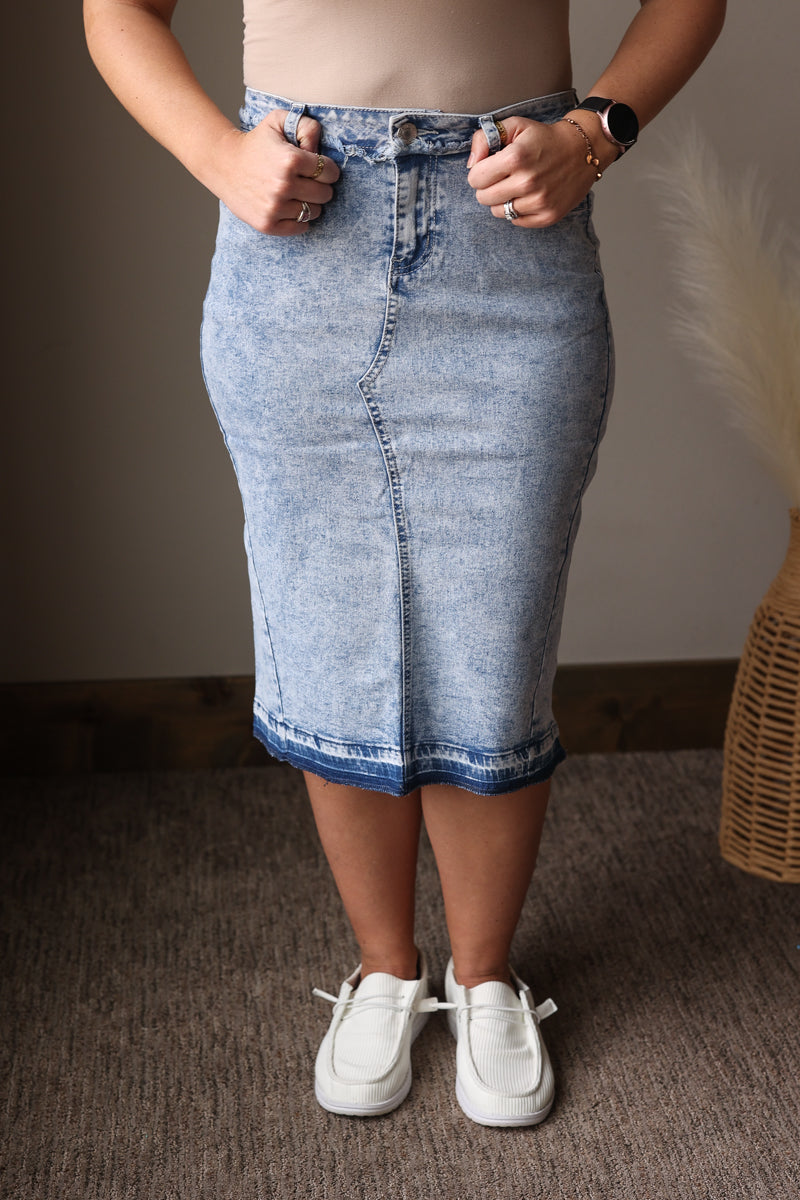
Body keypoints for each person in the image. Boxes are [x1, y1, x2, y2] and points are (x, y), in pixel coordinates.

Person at [84, 0, 726, 1127]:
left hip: (511, 238)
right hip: (299, 242)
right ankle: (386, 970)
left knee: (495, 639)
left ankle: (484, 980)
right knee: (327, 630)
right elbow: (114, 11)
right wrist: (216, 155)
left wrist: (590, 135)